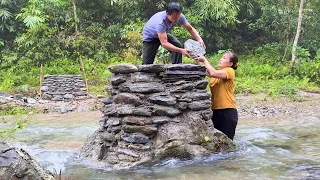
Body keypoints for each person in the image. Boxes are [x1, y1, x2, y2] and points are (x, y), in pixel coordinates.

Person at [194, 52, 239, 140]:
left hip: (227, 110)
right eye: (221, 57)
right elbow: (203, 71)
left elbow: (212, 72)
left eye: (224, 58)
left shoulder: (229, 71)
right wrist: (197, 60)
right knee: (217, 141)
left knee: (227, 141)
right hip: (215, 111)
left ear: (230, 64)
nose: (221, 59)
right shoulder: (216, 74)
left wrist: (205, 60)